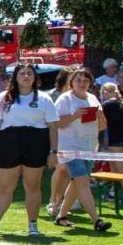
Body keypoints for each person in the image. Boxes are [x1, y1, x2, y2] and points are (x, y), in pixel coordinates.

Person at [0, 63, 56, 236]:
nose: (26, 76)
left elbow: (53, 127)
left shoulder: (44, 99)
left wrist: (54, 152)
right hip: (9, 142)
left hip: (36, 143)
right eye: (22, 73)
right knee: (6, 187)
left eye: (30, 73)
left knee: (32, 186)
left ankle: (33, 225)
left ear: (35, 77)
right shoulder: (3, 98)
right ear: (16, 77)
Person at [50, 67, 110, 232]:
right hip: (70, 147)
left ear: (90, 83)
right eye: (78, 80)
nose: (82, 83)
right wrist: (75, 115)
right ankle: (96, 220)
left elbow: (102, 127)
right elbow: (57, 123)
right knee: (83, 181)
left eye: (85, 80)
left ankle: (61, 216)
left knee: (76, 183)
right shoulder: (65, 99)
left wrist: (100, 116)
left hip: (89, 147)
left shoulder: (93, 99)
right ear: (71, 82)